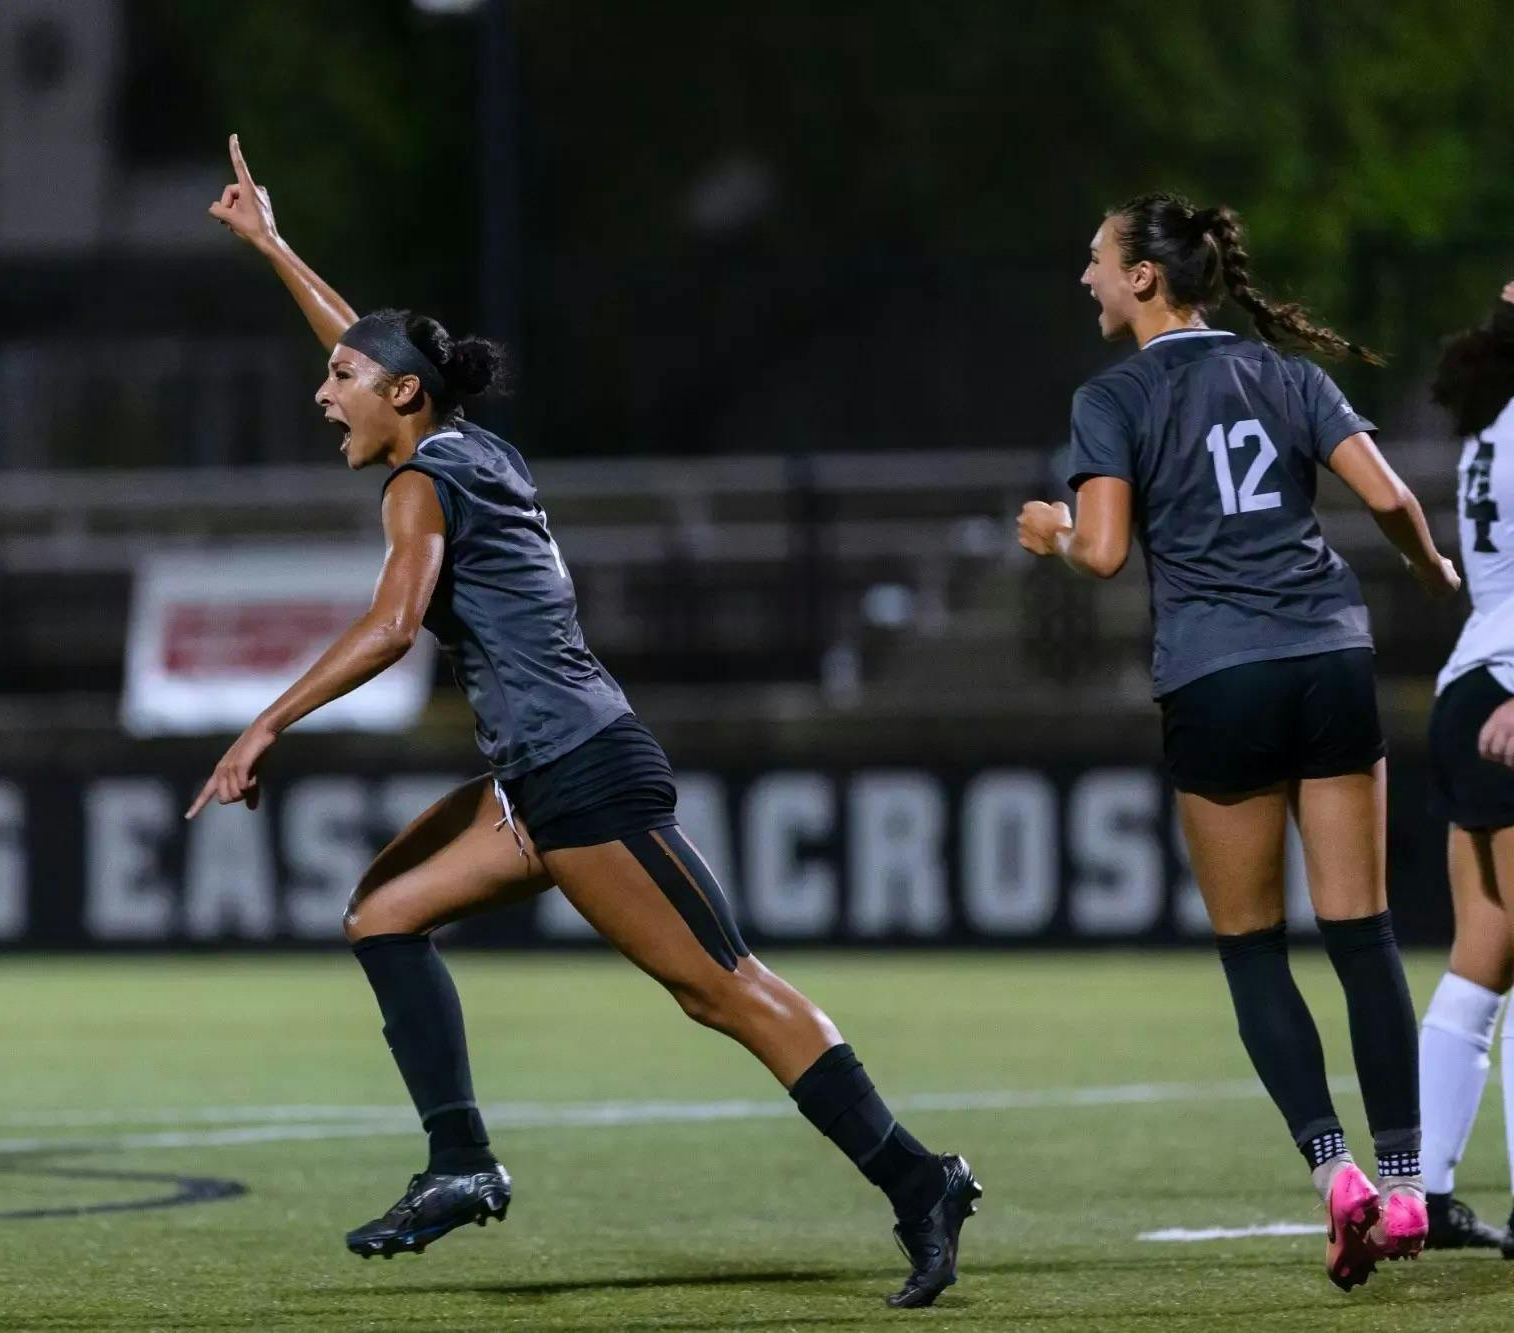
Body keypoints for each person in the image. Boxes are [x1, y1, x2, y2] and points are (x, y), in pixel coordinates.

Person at [191, 135, 980, 1310]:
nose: (324, 389)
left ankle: (918, 1178)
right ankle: (459, 1163)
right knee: (383, 915)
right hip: (535, 777)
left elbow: (395, 624)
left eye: (341, 383)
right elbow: (367, 344)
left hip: (582, 769)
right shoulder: (465, 442)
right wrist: (272, 247)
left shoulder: (420, 482)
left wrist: (262, 724)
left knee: (723, 986)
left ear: (401, 396)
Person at [1016, 193, 1459, 1291]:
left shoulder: (1110, 396)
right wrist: (1429, 570)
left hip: (1217, 677)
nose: (1084, 278)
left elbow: (1107, 553)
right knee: (1362, 936)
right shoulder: (1286, 374)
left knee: (1252, 948)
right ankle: (1406, 1182)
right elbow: (1391, 497)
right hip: (1325, 658)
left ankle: (1335, 1176)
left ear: (1144, 280)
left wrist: (1050, 534)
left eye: (1094, 260)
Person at [1417, 280, 1514, 1257]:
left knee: (1481, 956)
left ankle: (1426, 1195)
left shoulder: (1491, 424)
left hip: (1466, 686)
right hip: (1511, 696)